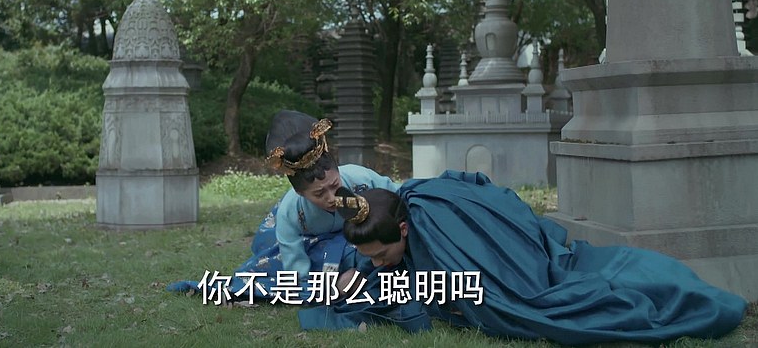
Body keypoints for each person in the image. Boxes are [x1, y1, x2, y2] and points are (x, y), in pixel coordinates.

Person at [308, 170, 747, 344]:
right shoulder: (387, 219)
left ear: (404, 229)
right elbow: (379, 264)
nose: (377, 262)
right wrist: (357, 275)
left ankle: (681, 296)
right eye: (369, 256)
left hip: (521, 259)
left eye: (382, 254)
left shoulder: (437, 226)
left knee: (538, 301)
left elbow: (481, 292)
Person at [169, 110, 400, 299]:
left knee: (370, 249)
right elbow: (297, 268)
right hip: (313, 244)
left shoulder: (361, 178)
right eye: (319, 193)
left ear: (339, 171)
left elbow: (399, 198)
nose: (331, 198)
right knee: (274, 273)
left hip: (355, 236)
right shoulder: (291, 210)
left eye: (334, 185)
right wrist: (318, 287)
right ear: (299, 192)